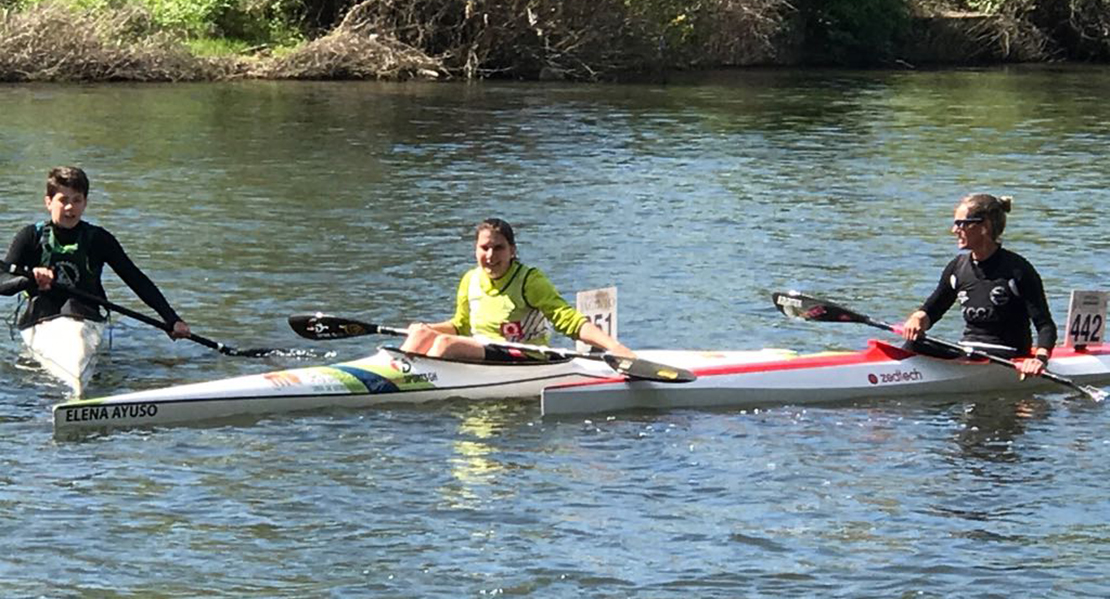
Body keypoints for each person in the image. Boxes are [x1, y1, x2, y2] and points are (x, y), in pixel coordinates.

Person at [399, 218, 634, 361]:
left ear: (512, 250)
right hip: (481, 351)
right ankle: (397, 374)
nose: (490, 256)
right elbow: (461, 325)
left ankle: (413, 383)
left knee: (444, 344)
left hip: (524, 355)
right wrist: (426, 328)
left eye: (498, 248)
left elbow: (568, 320)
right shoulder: (470, 280)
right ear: (476, 249)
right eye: (484, 248)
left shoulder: (529, 280)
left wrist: (614, 347)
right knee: (421, 334)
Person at [0, 166, 190, 338]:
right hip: (41, 315)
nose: (69, 207)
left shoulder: (99, 239)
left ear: (85, 203)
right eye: (63, 200)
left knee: (73, 305)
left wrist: (172, 319)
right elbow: (2, 282)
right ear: (48, 202)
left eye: (76, 200)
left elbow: (135, 279)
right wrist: (30, 278)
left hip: (84, 316)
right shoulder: (30, 236)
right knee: (43, 304)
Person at [900, 193, 1056, 378]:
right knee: (913, 344)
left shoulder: (1018, 270)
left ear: (984, 226)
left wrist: (1039, 359)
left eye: (961, 224)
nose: (954, 230)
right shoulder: (957, 268)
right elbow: (932, 310)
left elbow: (1045, 325)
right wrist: (917, 319)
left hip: (1006, 355)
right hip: (968, 351)